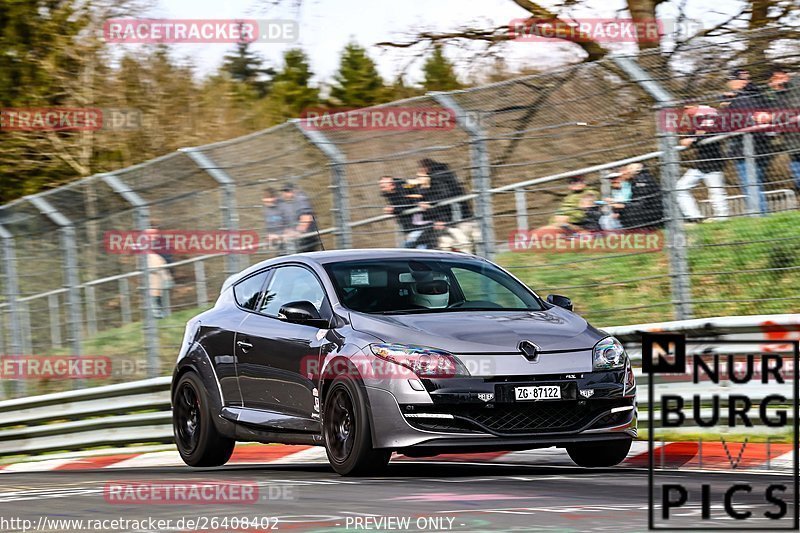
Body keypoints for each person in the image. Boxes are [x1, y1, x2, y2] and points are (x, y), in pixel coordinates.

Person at [726, 72, 771, 214]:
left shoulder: (742, 99)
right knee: (755, 183)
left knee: (750, 184)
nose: (730, 84)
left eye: (731, 80)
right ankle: (760, 213)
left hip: (746, 148)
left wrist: (727, 108)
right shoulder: (758, 96)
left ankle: (759, 215)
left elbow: (734, 123)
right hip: (760, 145)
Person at [676, 105, 729, 222]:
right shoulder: (697, 121)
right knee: (680, 188)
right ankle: (693, 216)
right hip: (700, 165)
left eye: (687, 110)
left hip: (713, 162)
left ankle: (723, 217)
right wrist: (689, 139)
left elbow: (709, 135)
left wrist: (693, 140)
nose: (686, 113)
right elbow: (690, 137)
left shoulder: (709, 117)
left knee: (716, 191)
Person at [618, 163, 664, 229]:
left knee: (627, 213)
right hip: (649, 209)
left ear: (635, 171)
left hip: (653, 211)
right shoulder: (638, 180)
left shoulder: (641, 181)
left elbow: (641, 202)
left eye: (628, 169)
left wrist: (623, 205)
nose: (625, 172)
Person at [281, 182, 322, 253]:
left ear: (293, 191)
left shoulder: (300, 199)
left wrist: (297, 232)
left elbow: (306, 218)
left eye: (287, 191)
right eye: (284, 191)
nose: (285, 194)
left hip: (307, 239)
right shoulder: (292, 203)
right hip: (302, 239)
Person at [379, 176, 418, 240]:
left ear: (392, 184)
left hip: (416, 223)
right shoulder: (390, 194)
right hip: (408, 225)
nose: (382, 188)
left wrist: (393, 209)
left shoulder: (404, 186)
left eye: (383, 185)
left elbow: (407, 204)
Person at [263, 187, 289, 251]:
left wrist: (279, 236)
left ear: (274, 198)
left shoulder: (283, 207)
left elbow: (290, 224)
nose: (265, 200)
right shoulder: (267, 209)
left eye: (268, 198)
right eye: (265, 198)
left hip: (287, 241)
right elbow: (269, 224)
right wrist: (269, 236)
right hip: (276, 240)